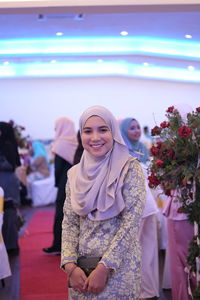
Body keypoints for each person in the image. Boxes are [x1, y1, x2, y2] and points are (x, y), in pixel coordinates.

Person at [61, 105, 146, 299]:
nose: (95, 137)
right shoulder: (74, 174)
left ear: (113, 132)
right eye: (88, 131)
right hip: (81, 271)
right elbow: (70, 223)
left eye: (103, 129)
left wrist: (104, 268)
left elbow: (130, 225)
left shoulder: (130, 169)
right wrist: (70, 266)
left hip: (119, 270)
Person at [120, 117, 159, 299]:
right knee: (134, 250)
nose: (136, 131)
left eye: (138, 127)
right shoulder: (121, 152)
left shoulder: (143, 149)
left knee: (147, 249)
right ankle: (135, 290)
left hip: (148, 205)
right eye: (132, 128)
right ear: (122, 131)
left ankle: (148, 290)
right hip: (135, 207)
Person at [43, 117, 77, 254]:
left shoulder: (60, 144)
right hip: (77, 182)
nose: (56, 130)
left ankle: (58, 245)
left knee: (61, 215)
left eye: (56, 127)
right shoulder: (75, 142)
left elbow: (57, 168)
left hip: (64, 183)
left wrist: (58, 184)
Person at [0, 121, 21, 253]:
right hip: (10, 181)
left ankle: (8, 245)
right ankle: (12, 244)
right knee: (10, 212)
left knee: (5, 212)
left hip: (4, 181)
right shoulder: (11, 144)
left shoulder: (4, 145)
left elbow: (6, 164)